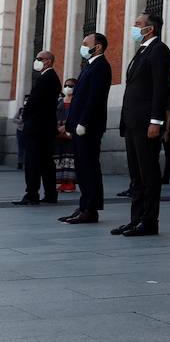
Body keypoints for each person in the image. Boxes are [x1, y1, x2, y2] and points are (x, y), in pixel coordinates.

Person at [113, 13, 170, 237]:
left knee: (148, 173)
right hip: (132, 123)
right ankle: (135, 219)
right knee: (136, 175)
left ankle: (149, 221)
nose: (134, 27)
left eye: (137, 24)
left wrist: (156, 121)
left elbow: (160, 88)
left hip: (147, 123)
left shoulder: (160, 51)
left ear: (150, 29)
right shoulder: (141, 51)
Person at [61, 33, 112, 224]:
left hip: (88, 127)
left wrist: (84, 122)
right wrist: (70, 124)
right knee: (81, 168)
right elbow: (79, 99)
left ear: (97, 47)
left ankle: (91, 209)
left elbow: (95, 98)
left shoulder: (101, 66)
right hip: (78, 126)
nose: (82, 47)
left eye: (85, 44)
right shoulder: (89, 66)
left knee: (89, 167)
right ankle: (83, 206)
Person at [13, 51, 60, 205]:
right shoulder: (48, 77)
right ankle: (50, 194)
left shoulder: (47, 78)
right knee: (46, 162)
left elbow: (35, 101)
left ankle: (32, 194)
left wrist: (25, 115)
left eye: (39, 59)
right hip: (44, 127)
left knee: (33, 162)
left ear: (47, 61)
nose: (36, 61)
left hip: (38, 128)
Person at [55, 77, 78, 193]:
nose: (68, 88)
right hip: (59, 134)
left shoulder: (77, 102)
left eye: (71, 86)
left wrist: (67, 127)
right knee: (60, 158)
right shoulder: (59, 102)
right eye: (66, 85)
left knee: (70, 158)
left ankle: (70, 183)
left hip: (71, 134)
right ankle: (61, 182)